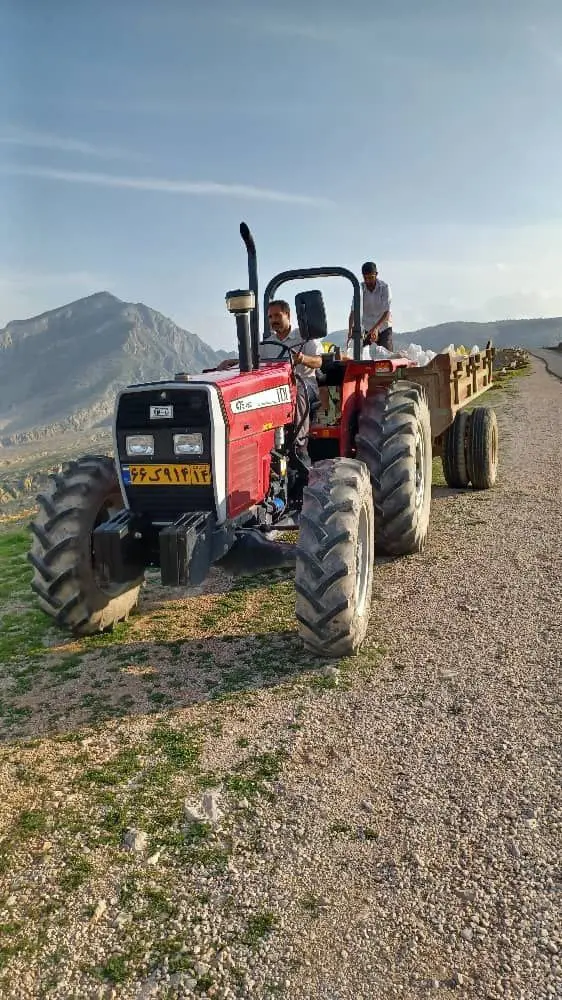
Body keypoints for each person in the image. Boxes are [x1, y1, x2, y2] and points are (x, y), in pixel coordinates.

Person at [218, 299, 325, 468]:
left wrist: (302, 359)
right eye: (270, 317)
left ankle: (299, 444)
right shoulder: (268, 343)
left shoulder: (305, 339)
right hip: (277, 388)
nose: (273, 320)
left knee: (297, 391)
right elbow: (253, 361)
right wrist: (233, 362)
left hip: (305, 383)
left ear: (287, 315)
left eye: (277, 315)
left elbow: (319, 361)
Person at [347, 260, 393, 357]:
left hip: (383, 327)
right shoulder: (359, 289)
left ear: (376, 274)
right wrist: (350, 330)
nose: (368, 281)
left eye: (371, 278)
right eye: (366, 278)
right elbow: (353, 311)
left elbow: (387, 312)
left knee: (387, 357)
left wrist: (376, 328)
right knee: (359, 356)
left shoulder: (384, 288)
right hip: (366, 329)